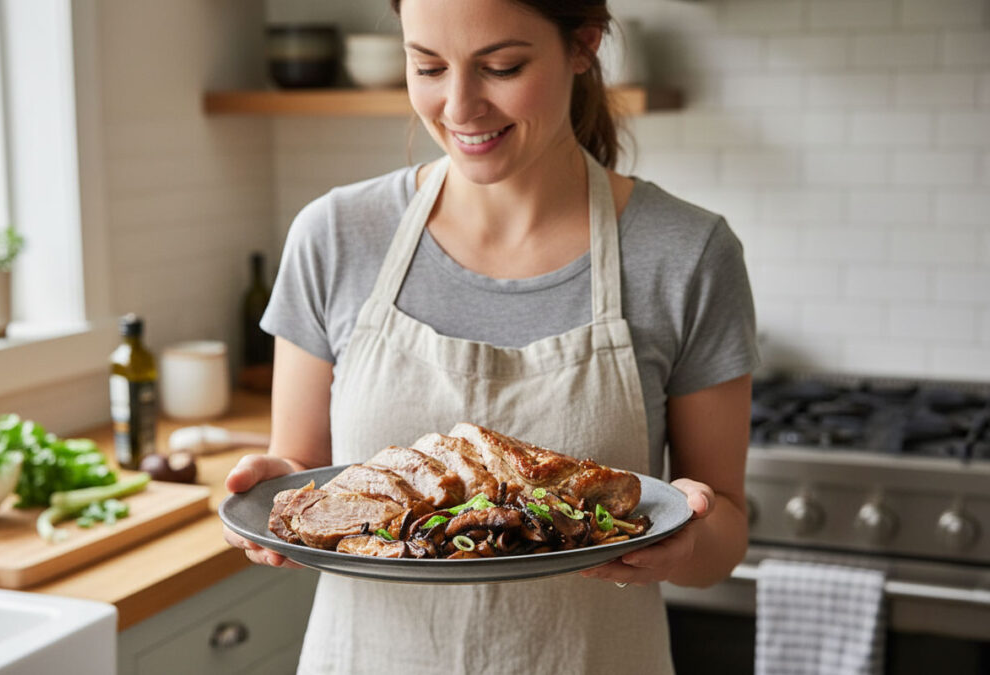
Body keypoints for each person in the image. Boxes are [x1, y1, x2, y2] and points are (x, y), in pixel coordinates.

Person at [223, 0, 758, 672]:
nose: (459, 106)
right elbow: (304, 471)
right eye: (427, 67)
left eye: (501, 67)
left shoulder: (685, 253)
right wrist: (276, 492)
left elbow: (724, 536)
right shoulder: (333, 236)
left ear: (583, 45)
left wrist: (688, 542)